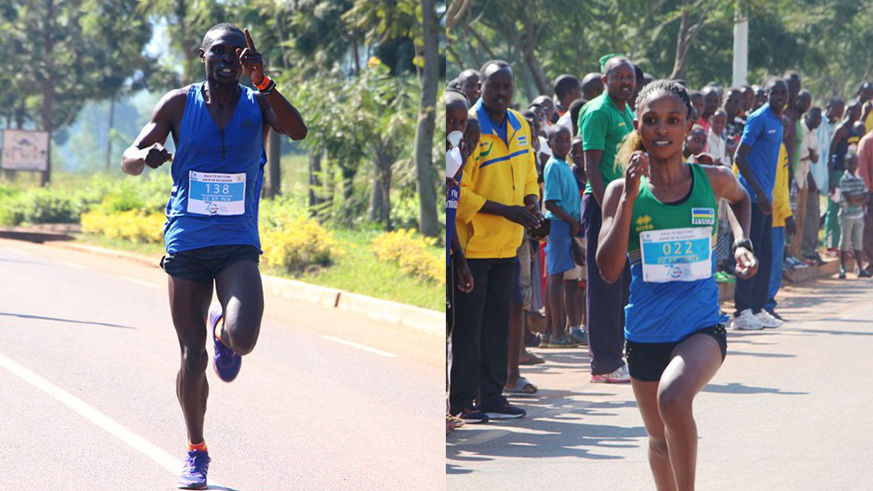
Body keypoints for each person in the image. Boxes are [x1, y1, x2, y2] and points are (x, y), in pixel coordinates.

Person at [121, 24, 307, 489]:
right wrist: (146, 157)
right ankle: (196, 450)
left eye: (236, 52)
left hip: (237, 243)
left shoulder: (259, 101)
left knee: (243, 338)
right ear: (201, 55)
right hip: (187, 239)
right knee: (192, 358)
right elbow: (130, 153)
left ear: (247, 58)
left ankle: (222, 331)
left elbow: (298, 131)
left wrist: (264, 81)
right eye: (218, 51)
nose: (227, 58)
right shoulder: (178, 103)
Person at [596, 80, 757, 491]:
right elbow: (609, 270)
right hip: (647, 331)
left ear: (688, 125)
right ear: (638, 126)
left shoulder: (712, 179)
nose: (661, 130)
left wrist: (741, 242)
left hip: (700, 326)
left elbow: (742, 199)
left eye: (672, 120)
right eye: (651, 121)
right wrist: (631, 197)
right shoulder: (619, 191)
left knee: (673, 399)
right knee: (658, 438)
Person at [452, 60, 542, 423]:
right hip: (473, 248)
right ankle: (463, 400)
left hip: (509, 244)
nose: (502, 93)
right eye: (495, 86)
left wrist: (531, 201)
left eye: (507, 86)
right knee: (469, 330)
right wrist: (507, 210)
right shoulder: (468, 126)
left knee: (497, 327)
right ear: (481, 88)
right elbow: (460, 194)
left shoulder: (520, 123)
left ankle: (492, 397)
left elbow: (529, 170)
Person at [576, 55, 636, 383]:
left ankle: (618, 354)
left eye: (630, 77)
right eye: (619, 77)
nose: (625, 82)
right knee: (603, 286)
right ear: (605, 79)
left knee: (622, 285)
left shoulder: (626, 111)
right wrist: (608, 213)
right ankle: (603, 363)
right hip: (602, 206)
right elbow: (592, 167)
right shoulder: (599, 111)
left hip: (622, 206)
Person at [731, 77, 788, 330]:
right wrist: (758, 193)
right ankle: (741, 311)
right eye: (774, 92)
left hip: (766, 199)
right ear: (765, 95)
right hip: (752, 199)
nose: (779, 96)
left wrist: (769, 196)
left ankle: (757, 308)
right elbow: (739, 157)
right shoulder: (758, 118)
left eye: (782, 92)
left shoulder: (779, 121)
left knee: (764, 254)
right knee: (749, 254)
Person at [446, 89, 476, 434]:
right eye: (449, 120)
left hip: (451, 255)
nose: (455, 126)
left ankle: (447, 410)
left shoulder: (457, 157)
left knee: (450, 330)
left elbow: (451, 215)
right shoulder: (443, 158)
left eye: (460, 121)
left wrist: (461, 258)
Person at [541, 125, 582, 348]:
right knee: (555, 279)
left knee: (562, 278)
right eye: (559, 141)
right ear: (550, 142)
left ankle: (550, 333)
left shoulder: (564, 165)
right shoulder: (553, 166)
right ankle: (557, 333)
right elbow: (550, 203)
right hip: (558, 225)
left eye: (567, 140)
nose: (564, 145)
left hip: (566, 226)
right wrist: (571, 220)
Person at [765, 117, 796, 320]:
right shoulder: (766, 146)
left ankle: (768, 304)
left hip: (779, 214)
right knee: (767, 262)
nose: (784, 129)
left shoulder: (782, 147)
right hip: (768, 211)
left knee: (775, 263)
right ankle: (761, 305)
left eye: (787, 126)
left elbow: (783, 185)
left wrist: (787, 213)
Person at [826, 100, 863, 251]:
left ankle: (842, 245)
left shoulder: (855, 129)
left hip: (849, 173)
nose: (857, 114)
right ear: (848, 111)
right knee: (834, 208)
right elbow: (830, 154)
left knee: (846, 210)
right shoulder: (841, 129)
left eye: (859, 111)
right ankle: (830, 245)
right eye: (854, 110)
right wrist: (831, 179)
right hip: (838, 172)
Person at [837, 149, 871, 278]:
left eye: (855, 163)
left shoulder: (859, 179)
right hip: (846, 215)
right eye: (850, 163)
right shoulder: (844, 179)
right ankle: (842, 268)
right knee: (844, 242)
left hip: (858, 215)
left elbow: (867, 197)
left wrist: (857, 201)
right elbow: (849, 197)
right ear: (846, 164)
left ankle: (860, 268)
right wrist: (859, 200)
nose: (853, 165)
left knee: (858, 242)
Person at [799, 107, 823, 262]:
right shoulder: (800, 128)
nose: (817, 120)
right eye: (814, 117)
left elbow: (815, 157)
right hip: (798, 176)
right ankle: (804, 251)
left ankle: (811, 249)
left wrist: (810, 154)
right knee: (802, 216)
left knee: (813, 214)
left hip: (807, 174)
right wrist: (810, 154)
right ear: (807, 116)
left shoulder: (813, 132)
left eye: (819, 118)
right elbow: (802, 154)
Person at [856, 124, 873, 270]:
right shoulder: (868, 140)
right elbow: (862, 167)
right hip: (870, 193)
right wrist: (867, 191)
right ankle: (867, 262)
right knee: (868, 228)